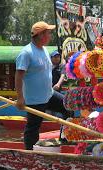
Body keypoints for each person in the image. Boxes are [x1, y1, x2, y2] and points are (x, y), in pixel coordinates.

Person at [15, 21, 72, 150]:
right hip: (35, 100)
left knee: (69, 107)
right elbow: (18, 76)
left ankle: (64, 138)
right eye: (48, 33)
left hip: (49, 94)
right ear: (41, 35)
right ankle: (30, 154)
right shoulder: (26, 53)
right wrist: (20, 98)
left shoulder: (45, 50)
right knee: (33, 128)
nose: (50, 35)